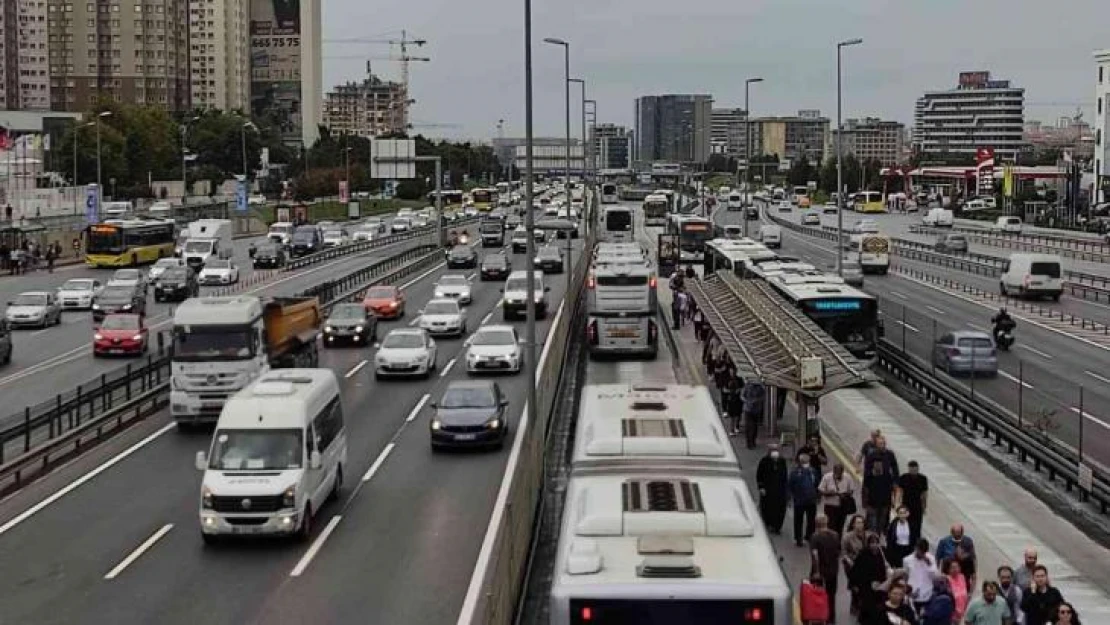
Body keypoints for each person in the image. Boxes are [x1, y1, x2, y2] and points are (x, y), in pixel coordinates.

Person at [849, 534, 890, 621]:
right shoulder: (863, 554)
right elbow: (856, 570)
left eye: (876, 543)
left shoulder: (882, 554)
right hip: (866, 587)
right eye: (872, 543)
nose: (874, 545)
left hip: (879, 587)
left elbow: (884, 570)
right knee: (866, 608)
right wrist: (854, 585)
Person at [809, 515, 842, 623]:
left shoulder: (815, 536)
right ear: (827, 522)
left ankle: (818, 617)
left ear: (816, 523)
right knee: (831, 595)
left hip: (820, 572)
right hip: (833, 570)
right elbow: (838, 552)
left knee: (817, 596)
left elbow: (815, 555)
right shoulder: (835, 535)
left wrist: (817, 571)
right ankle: (831, 618)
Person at [862, 435, 898, 534]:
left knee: (883, 518)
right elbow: (866, 474)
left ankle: (881, 532)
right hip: (873, 492)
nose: (882, 446)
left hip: (886, 492)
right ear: (876, 445)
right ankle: (873, 535)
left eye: (883, 444)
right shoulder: (871, 456)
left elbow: (895, 470)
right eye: (880, 444)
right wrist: (872, 473)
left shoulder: (890, 455)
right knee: (873, 519)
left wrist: (895, 482)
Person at [756, 444, 789, 534]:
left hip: (779, 490)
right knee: (767, 508)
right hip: (768, 490)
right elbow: (759, 475)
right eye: (773, 450)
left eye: (776, 450)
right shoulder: (764, 461)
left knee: (780, 509)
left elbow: (785, 476)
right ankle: (768, 524)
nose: (775, 452)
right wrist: (761, 487)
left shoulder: (782, 461)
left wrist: (786, 490)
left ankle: (777, 526)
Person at [789, 453, 820, 546]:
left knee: (811, 520)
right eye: (804, 461)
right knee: (798, 520)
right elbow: (790, 485)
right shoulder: (795, 473)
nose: (806, 463)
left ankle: (809, 536)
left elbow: (817, 484)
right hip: (799, 500)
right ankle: (798, 538)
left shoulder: (813, 471)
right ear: (800, 462)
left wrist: (817, 496)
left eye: (807, 461)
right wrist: (790, 497)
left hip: (811, 500)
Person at [895, 460, 928, 544]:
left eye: (915, 469)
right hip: (906, 506)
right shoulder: (904, 478)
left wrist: (924, 506)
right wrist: (898, 504)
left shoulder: (923, 479)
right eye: (911, 469)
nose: (913, 471)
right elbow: (899, 491)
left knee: (917, 526)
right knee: (906, 524)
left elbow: (924, 494)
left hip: (917, 506)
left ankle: (916, 542)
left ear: (918, 469)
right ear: (909, 469)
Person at [818, 463, 856, 535]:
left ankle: (838, 543)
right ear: (834, 471)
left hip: (842, 506)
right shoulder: (827, 477)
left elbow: (851, 490)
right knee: (831, 526)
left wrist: (845, 494)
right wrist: (830, 493)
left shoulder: (848, 477)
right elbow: (820, 490)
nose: (838, 475)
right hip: (830, 506)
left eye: (840, 473)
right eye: (836, 472)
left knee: (840, 526)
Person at [903, 539, 939, 615]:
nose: (921, 554)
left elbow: (935, 576)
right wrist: (906, 592)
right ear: (915, 548)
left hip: (927, 594)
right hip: (912, 594)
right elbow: (905, 577)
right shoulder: (907, 560)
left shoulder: (931, 558)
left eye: (923, 552)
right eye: (919, 551)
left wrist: (929, 564)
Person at [944, 558, 970, 624]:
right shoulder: (947, 580)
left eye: (957, 567)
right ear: (948, 569)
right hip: (950, 615)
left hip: (961, 614)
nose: (955, 569)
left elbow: (965, 595)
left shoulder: (962, 577)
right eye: (952, 567)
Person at [742, 380, 765, 449]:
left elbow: (763, 397)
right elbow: (742, 396)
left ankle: (752, 441)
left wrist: (757, 400)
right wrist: (747, 401)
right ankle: (749, 442)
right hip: (748, 409)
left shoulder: (760, 388)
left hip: (755, 409)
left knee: (754, 426)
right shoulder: (747, 387)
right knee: (750, 426)